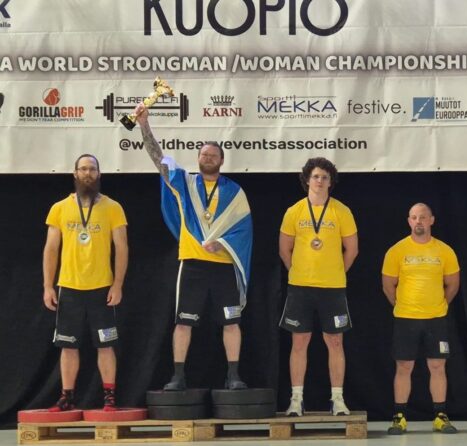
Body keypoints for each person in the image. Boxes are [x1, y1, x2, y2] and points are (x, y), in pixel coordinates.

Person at [134, 104, 252, 391]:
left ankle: (233, 375)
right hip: (192, 264)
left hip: (224, 266)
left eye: (212, 155)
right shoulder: (185, 183)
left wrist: (222, 242)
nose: (207, 158)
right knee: (183, 322)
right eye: (203, 154)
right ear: (198, 158)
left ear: (222, 160)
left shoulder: (235, 191)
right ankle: (178, 376)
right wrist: (144, 126)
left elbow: (244, 229)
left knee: (231, 323)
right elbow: (159, 160)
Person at [43, 154, 128, 411]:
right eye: (83, 169)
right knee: (68, 347)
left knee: (106, 344)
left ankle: (109, 396)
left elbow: (122, 248)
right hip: (69, 287)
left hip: (102, 288)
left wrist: (117, 285)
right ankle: (67, 396)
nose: (87, 173)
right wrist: (48, 286)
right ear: (75, 174)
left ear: (99, 174)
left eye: (92, 169)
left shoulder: (113, 207)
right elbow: (51, 249)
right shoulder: (59, 208)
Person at [279, 157, 358, 416]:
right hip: (300, 287)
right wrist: (300, 272)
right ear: (307, 180)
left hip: (332, 288)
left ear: (330, 181)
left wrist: (335, 272)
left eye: (325, 177)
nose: (320, 181)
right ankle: (296, 399)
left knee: (335, 342)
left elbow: (352, 250)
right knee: (299, 342)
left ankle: (338, 399)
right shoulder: (294, 211)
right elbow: (284, 249)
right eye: (315, 176)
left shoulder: (342, 211)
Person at [382, 203, 460, 434]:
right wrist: (401, 305)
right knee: (404, 366)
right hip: (406, 318)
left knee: (437, 366)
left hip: (436, 318)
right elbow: (388, 285)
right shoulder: (396, 251)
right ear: (409, 221)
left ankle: (440, 416)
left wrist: (440, 304)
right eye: (414, 217)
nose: (419, 221)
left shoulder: (444, 251)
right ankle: (399, 417)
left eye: (423, 217)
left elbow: (453, 283)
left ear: (431, 220)